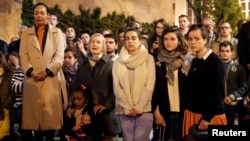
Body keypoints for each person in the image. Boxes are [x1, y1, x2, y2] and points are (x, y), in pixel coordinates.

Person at [19, 2, 67, 141]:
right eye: (36, 13)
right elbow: (23, 55)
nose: (39, 16)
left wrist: (47, 71)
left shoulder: (57, 32)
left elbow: (59, 55)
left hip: (50, 79)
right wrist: (30, 71)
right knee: (35, 122)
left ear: (47, 15)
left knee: (50, 121)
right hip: (32, 79)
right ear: (33, 15)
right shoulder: (26, 33)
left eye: (42, 13)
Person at [182, 25, 227, 139]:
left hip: (208, 118)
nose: (192, 42)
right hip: (193, 113)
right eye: (190, 39)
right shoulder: (195, 60)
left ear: (205, 40)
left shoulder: (215, 62)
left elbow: (218, 94)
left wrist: (207, 118)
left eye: (197, 39)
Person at [112, 28, 156, 141]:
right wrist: (127, 107)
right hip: (124, 110)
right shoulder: (118, 62)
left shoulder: (148, 58)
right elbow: (117, 87)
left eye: (133, 38)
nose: (130, 41)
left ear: (140, 41)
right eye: (127, 39)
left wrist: (139, 106)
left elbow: (150, 84)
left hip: (144, 109)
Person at [71, 33, 115, 140]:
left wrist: (106, 105)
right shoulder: (83, 66)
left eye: (98, 42)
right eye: (92, 41)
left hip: (104, 114)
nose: (94, 44)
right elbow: (74, 87)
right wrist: (71, 106)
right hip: (84, 115)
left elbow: (116, 89)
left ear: (103, 46)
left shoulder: (111, 65)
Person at [152, 27, 191, 141]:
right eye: (165, 39)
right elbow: (153, 90)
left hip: (183, 112)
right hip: (163, 112)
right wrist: (156, 113)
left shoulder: (186, 61)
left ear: (179, 41)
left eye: (172, 39)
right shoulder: (157, 61)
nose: (168, 42)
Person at [218, 41, 248, 125]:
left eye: (227, 51)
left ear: (232, 52)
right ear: (219, 52)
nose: (225, 53)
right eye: (222, 51)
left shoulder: (239, 68)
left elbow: (244, 87)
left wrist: (232, 97)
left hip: (232, 105)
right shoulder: (214, 67)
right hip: (218, 105)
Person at [0, 51, 15, 140]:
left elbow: (12, 92)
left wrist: (5, 104)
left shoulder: (9, 74)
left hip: (5, 109)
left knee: (4, 133)